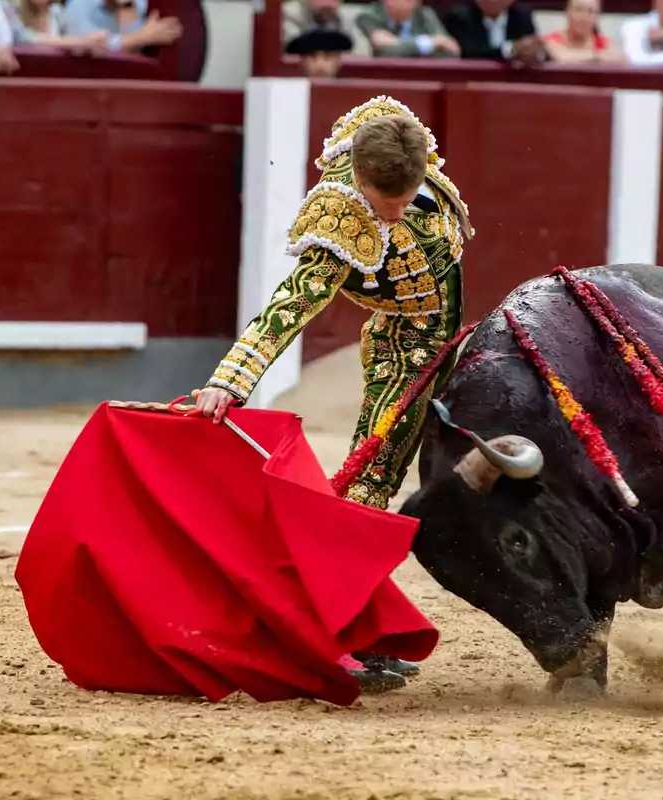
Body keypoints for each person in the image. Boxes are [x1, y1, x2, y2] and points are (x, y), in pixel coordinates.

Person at [192, 96, 473, 693]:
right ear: (362, 185)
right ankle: (338, 636)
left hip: (459, 339)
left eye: (402, 202)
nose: (393, 216)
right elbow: (290, 306)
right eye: (382, 205)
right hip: (404, 350)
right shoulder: (338, 221)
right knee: (369, 483)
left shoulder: (408, 153)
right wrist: (230, 380)